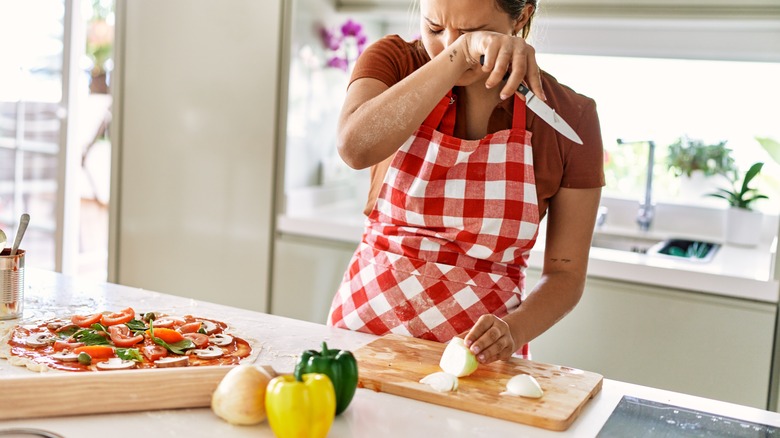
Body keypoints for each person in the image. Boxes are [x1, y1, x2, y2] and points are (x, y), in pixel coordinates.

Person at [327, 0, 604, 365]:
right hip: (360, 338)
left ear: (521, 15)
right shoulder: (394, 62)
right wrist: (463, 52)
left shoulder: (571, 117)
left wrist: (514, 330)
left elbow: (566, 274)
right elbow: (355, 147)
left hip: (477, 366)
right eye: (435, 29)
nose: (449, 44)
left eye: (472, 32)